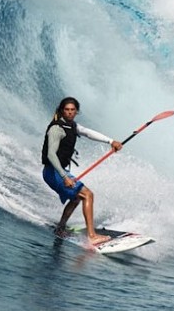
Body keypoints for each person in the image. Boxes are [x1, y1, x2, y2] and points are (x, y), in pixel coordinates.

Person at [42, 96, 122, 246]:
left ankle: (60, 227)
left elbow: (88, 133)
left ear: (76, 112)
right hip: (53, 172)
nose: (70, 113)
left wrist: (111, 141)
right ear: (61, 110)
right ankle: (92, 236)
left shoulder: (73, 126)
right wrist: (65, 176)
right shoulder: (56, 128)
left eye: (73, 110)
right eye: (67, 110)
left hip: (58, 172)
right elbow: (51, 155)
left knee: (76, 197)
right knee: (88, 195)